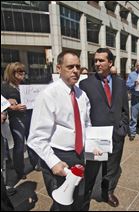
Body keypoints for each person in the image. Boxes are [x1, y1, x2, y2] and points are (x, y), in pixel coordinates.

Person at [27, 50, 91, 211]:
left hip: (79, 154)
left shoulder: (82, 95)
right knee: (62, 204)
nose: (75, 70)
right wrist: (53, 162)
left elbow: (86, 125)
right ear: (58, 68)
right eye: (70, 66)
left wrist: (93, 144)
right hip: (59, 156)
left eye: (78, 66)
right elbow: (36, 138)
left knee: (78, 198)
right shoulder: (48, 95)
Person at [79, 48, 129, 209]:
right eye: (96, 60)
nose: (98, 63)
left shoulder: (120, 83)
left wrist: (123, 128)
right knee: (92, 168)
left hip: (116, 134)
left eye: (101, 60)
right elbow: (83, 112)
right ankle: (85, 196)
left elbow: (124, 109)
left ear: (110, 63)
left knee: (113, 167)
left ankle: (108, 192)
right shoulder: (85, 84)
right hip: (96, 136)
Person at [1, 62, 28, 180]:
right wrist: (11, 106)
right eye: (19, 71)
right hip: (16, 118)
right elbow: (2, 104)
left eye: (23, 71)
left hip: (29, 116)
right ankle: (20, 170)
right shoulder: (4, 87)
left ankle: (36, 162)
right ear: (12, 73)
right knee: (20, 145)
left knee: (32, 141)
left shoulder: (24, 84)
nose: (22, 74)